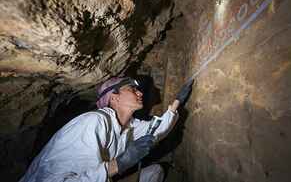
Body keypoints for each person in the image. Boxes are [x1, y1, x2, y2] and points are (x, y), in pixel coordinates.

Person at [19, 77, 193, 182]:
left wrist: (177, 102)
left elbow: (157, 130)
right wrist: (120, 164)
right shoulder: (92, 123)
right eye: (132, 89)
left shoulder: (129, 125)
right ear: (114, 98)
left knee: (154, 172)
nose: (140, 93)